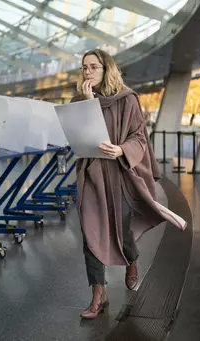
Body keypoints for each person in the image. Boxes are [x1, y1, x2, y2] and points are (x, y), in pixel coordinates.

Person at [71, 49, 186, 319]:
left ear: (106, 69)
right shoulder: (79, 101)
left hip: (120, 174)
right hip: (91, 174)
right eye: (84, 67)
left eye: (93, 67)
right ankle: (98, 294)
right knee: (89, 233)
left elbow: (139, 137)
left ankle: (131, 259)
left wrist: (122, 150)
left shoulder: (127, 99)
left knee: (122, 229)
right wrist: (87, 106)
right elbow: (77, 135)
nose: (87, 72)